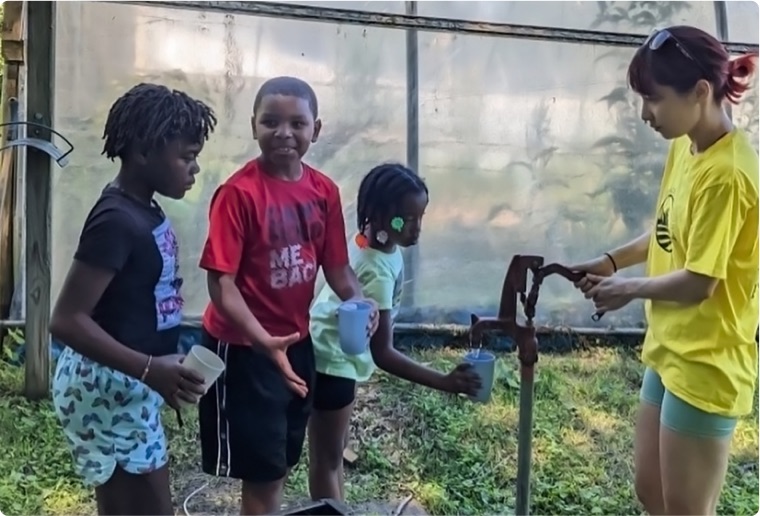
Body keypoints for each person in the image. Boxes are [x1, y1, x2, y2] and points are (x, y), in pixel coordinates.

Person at [569, 26, 758, 515]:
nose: (644, 114)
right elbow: (668, 232)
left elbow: (701, 281)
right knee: (651, 491)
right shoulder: (687, 144)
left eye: (653, 99)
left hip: (707, 360)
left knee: (687, 510)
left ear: (699, 93)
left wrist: (627, 289)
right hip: (671, 346)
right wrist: (612, 261)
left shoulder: (729, 175)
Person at [196, 76, 379, 515]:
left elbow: (337, 268)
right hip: (243, 350)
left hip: (296, 346)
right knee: (263, 476)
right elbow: (220, 284)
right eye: (271, 122)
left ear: (316, 129)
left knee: (283, 459)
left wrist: (361, 301)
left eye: (298, 123)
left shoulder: (323, 192)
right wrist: (262, 340)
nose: (284, 133)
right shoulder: (238, 194)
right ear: (253, 126)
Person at [49, 83, 217, 515]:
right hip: (108, 384)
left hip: (130, 381)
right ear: (144, 153)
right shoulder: (116, 220)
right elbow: (66, 320)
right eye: (186, 156)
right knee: (149, 507)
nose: (195, 168)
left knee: (127, 503)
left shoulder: (144, 208)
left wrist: (160, 370)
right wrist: (148, 369)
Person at [307, 163, 482, 502]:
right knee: (326, 463)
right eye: (405, 220)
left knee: (332, 453)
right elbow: (382, 352)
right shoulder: (376, 270)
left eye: (421, 217)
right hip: (331, 363)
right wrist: (443, 381)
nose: (416, 229)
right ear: (376, 216)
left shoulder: (368, 245)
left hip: (333, 353)